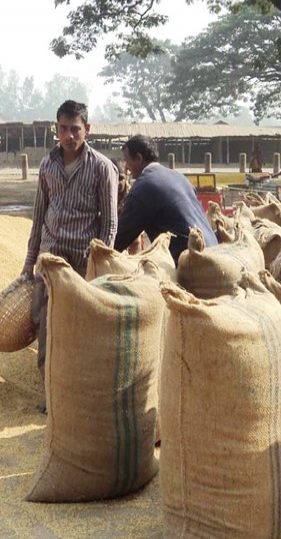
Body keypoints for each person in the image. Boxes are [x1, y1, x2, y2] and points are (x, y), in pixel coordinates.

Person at [22, 99, 118, 374]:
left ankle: (76, 388)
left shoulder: (102, 168)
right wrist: (29, 262)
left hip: (82, 262)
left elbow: (110, 224)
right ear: (56, 129)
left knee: (80, 325)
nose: (69, 136)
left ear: (87, 129)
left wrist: (101, 267)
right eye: (63, 129)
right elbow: (39, 216)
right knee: (46, 323)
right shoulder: (47, 166)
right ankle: (50, 389)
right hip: (50, 259)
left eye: (75, 129)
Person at [113, 134, 218, 264]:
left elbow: (121, 237)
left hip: (189, 259)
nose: (127, 168)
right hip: (214, 250)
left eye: (127, 161)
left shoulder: (144, 185)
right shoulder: (179, 177)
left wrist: (98, 253)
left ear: (139, 159)